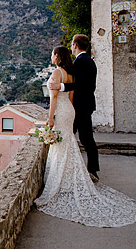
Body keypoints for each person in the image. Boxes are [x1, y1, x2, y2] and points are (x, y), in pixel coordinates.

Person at [35, 46, 136, 227]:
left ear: (58, 56)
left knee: (68, 143)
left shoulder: (64, 70)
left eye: (53, 53)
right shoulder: (71, 71)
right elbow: (71, 95)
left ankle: (68, 179)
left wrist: (51, 117)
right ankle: (80, 175)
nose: (51, 56)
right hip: (70, 110)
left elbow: (55, 98)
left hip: (64, 111)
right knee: (70, 142)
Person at [49, 34, 100, 182]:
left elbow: (82, 85)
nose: (71, 47)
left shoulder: (82, 62)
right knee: (80, 138)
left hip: (80, 106)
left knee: (81, 139)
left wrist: (61, 86)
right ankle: (88, 170)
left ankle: (88, 171)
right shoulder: (87, 61)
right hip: (80, 105)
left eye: (72, 44)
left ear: (75, 46)